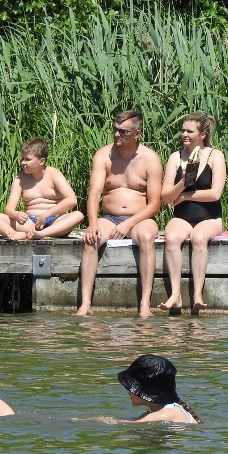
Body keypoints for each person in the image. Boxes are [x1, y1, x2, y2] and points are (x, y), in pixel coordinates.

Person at [77, 110, 163, 318]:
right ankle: (85, 303)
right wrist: (93, 222)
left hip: (140, 218)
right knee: (91, 238)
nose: (117, 135)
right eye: (115, 130)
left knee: (146, 237)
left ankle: (145, 304)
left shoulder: (150, 159)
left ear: (137, 133)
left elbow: (154, 204)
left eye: (123, 132)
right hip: (109, 217)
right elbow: (94, 193)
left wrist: (129, 224)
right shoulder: (103, 155)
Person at [159, 112, 226, 314]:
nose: (184, 134)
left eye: (190, 131)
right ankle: (175, 295)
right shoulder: (175, 157)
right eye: (182, 130)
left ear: (203, 134)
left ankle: (197, 294)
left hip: (210, 217)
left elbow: (215, 193)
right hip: (182, 217)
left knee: (198, 238)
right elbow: (166, 197)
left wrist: (187, 196)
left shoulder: (216, 156)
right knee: (171, 238)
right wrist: (183, 182)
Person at [0, 138, 84, 241]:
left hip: (54, 222)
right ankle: (18, 234)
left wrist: (46, 215)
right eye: (22, 159)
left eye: (27, 159)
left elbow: (71, 200)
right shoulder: (20, 178)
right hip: (29, 223)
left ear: (41, 161)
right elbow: (9, 209)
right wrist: (16, 214)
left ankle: (41, 234)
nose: (23, 162)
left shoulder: (53, 174)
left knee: (78, 215)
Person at [117, 354, 200, 423]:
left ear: (145, 391)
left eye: (131, 388)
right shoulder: (161, 411)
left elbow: (128, 425)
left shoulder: (163, 414)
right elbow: (127, 421)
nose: (129, 393)